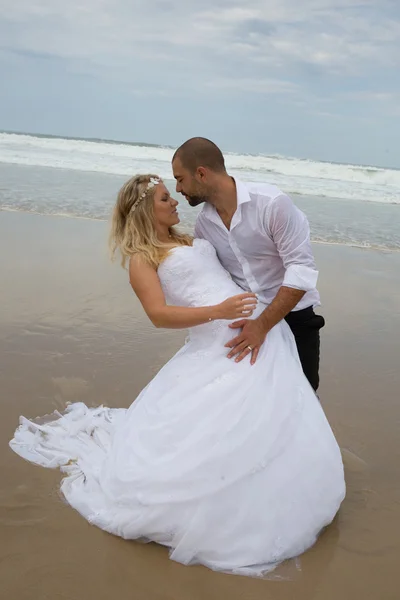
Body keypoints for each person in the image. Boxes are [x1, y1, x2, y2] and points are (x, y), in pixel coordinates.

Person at [9, 174, 345, 577]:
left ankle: (289, 488)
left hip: (255, 333)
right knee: (224, 424)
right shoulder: (141, 258)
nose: (175, 202)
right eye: (166, 197)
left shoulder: (192, 238)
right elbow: (158, 315)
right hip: (214, 338)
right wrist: (218, 312)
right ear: (144, 209)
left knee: (278, 411)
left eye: (173, 192)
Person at [172, 138, 324, 391]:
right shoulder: (204, 224)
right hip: (243, 320)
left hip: (295, 318)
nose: (177, 188)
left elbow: (302, 270)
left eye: (180, 179)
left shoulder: (272, 204)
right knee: (249, 400)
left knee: (303, 398)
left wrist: (262, 325)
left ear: (201, 174)